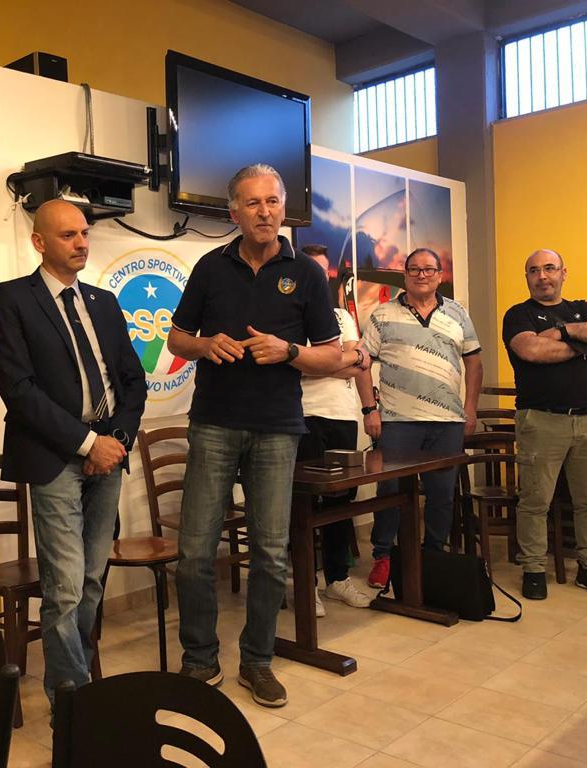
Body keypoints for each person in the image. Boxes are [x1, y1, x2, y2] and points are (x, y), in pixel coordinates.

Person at [168, 164, 369, 708]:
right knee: (194, 553)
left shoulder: (306, 274)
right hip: (214, 423)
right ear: (233, 211)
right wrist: (205, 345)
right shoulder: (210, 267)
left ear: (284, 209)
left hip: (279, 428)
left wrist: (289, 351)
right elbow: (177, 339)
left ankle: (257, 661)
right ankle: (200, 658)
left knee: (271, 553)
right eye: (253, 203)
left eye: (273, 202)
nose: (264, 211)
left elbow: (333, 356)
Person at [0, 199, 147, 707]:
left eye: (84, 233)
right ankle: (71, 703)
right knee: (65, 587)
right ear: (39, 242)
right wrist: (87, 443)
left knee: (92, 579)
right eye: (68, 235)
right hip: (54, 455)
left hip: (109, 452)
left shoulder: (103, 301)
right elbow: (19, 389)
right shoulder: (13, 298)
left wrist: (115, 440)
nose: (81, 243)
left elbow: (132, 381)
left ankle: (73, 682)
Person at [502, 248, 587, 600]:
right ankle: (533, 569)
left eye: (549, 268)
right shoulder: (518, 314)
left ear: (563, 273)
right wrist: (584, 342)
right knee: (534, 501)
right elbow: (532, 351)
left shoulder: (581, 308)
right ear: (527, 277)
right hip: (542, 421)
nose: (542, 276)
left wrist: (563, 330)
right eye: (534, 270)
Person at [361, 248, 483, 589]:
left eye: (429, 269)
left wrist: (470, 408)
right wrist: (370, 409)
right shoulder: (383, 314)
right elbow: (361, 364)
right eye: (414, 269)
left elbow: (474, 363)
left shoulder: (458, 313)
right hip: (397, 422)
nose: (421, 275)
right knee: (390, 492)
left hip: (447, 423)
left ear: (440, 275)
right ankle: (384, 557)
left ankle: (432, 557)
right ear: (405, 276)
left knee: (441, 496)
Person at [297, 245, 374, 613]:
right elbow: (296, 365)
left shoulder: (341, 316)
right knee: (304, 503)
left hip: (343, 416)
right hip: (302, 417)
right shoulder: (289, 316)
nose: (319, 276)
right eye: (312, 268)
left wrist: (319, 362)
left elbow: (360, 364)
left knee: (341, 500)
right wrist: (339, 360)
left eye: (324, 271)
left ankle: (337, 579)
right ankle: (306, 584)